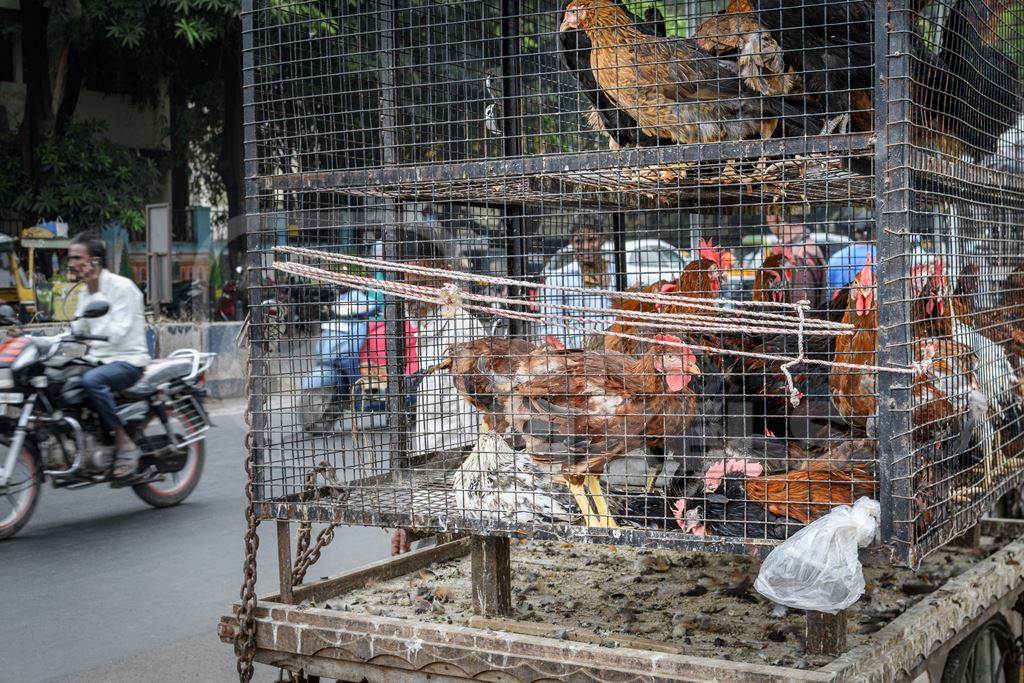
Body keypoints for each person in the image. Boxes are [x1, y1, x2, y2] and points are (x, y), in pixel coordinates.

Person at [67, 233, 151, 478]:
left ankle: (123, 441)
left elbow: (117, 333)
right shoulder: (85, 293)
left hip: (127, 360)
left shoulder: (121, 287)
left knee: (93, 381)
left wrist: (97, 296)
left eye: (77, 258)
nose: (72, 263)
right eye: (70, 258)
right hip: (98, 359)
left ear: (94, 261)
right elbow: (79, 329)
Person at [537, 214, 616, 349]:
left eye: (592, 240)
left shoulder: (617, 274)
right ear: (571, 242)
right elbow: (550, 327)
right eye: (579, 241)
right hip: (575, 356)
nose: (586, 246)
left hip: (614, 350)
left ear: (603, 239)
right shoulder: (557, 279)